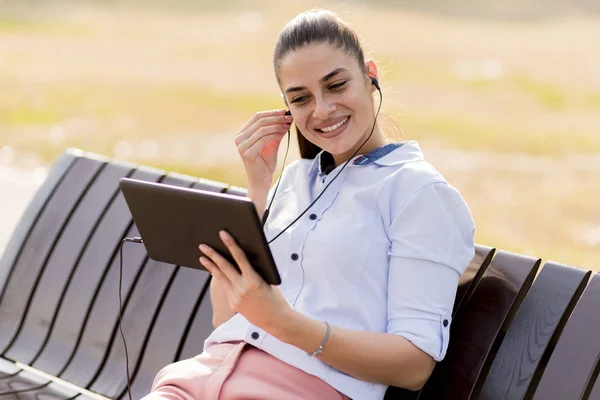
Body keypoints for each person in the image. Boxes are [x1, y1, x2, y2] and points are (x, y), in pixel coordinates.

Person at [143, 8, 475, 400]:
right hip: (199, 379)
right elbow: (226, 316)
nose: (321, 110)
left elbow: (414, 366)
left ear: (370, 76)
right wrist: (257, 188)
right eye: (301, 98)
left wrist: (287, 325)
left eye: (335, 86)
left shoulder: (417, 193)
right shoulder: (293, 181)